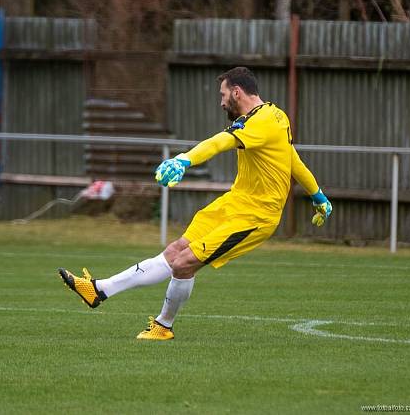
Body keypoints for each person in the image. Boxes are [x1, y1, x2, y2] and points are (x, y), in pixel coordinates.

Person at [58, 66, 332, 340]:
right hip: (233, 204)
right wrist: (318, 196)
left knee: (184, 264)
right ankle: (98, 289)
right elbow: (292, 159)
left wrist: (183, 160)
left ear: (237, 92)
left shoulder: (261, 122)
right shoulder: (272, 116)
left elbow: (219, 142)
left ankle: (163, 326)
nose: (221, 101)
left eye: (223, 94)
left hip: (256, 216)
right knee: (176, 250)